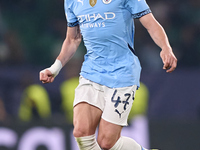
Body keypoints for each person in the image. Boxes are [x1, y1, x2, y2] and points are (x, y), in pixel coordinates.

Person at [40, 0, 177, 149]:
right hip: (91, 72)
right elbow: (73, 39)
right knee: (81, 133)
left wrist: (166, 47)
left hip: (122, 72)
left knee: (107, 142)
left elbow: (150, 23)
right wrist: (55, 67)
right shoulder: (72, 1)